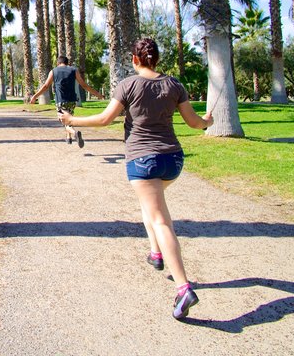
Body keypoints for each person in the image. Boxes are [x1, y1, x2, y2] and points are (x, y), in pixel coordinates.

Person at [58, 38, 212, 320]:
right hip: (173, 160)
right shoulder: (174, 84)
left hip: (143, 160)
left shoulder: (128, 85)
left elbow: (106, 119)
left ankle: (183, 287)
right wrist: (207, 122)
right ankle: (155, 253)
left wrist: (72, 121)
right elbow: (194, 122)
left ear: (135, 59)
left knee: (160, 219)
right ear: (157, 58)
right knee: (150, 207)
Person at [27, 56, 102, 148]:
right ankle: (68, 137)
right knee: (69, 118)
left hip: (61, 101)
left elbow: (46, 86)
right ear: (67, 63)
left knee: (64, 121)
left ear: (58, 63)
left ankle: (74, 133)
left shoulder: (54, 71)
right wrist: (98, 95)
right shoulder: (74, 70)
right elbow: (84, 85)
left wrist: (35, 96)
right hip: (72, 101)